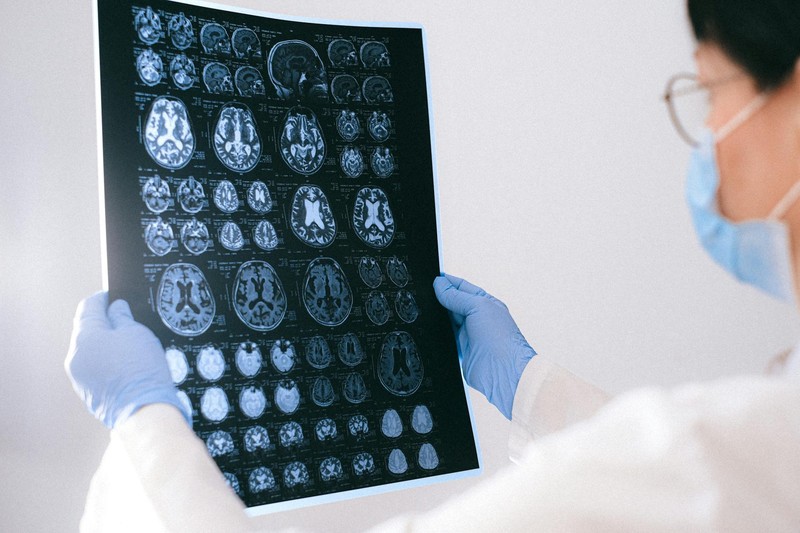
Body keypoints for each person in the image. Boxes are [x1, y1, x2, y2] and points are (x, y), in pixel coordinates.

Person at [66, 1, 800, 530]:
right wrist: (530, 384)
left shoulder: (720, 458)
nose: (708, 132)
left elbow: (684, 471)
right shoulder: (749, 448)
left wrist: (145, 421)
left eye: (710, 89)